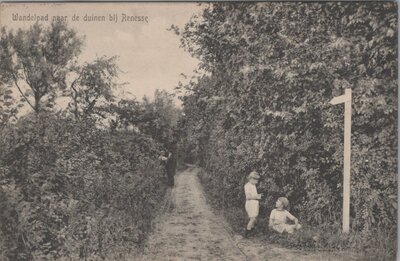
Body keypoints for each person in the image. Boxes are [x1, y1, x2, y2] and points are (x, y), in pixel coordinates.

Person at [244, 171, 263, 238]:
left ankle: (251, 231)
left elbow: (253, 195)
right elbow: (248, 197)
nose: (257, 182)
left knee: (254, 219)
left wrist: (258, 195)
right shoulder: (247, 186)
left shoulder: (253, 185)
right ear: (251, 179)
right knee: (252, 219)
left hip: (254, 203)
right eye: (256, 180)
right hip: (250, 204)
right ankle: (247, 233)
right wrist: (257, 197)